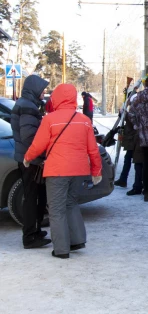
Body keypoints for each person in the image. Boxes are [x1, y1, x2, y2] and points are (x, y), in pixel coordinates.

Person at [24, 83, 103, 259]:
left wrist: (28, 157)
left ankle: (61, 249)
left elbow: (39, 145)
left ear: (56, 98)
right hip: (78, 170)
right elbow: (93, 149)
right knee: (71, 203)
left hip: (57, 171)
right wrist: (96, 170)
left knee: (57, 209)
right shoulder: (84, 120)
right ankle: (77, 240)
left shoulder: (49, 119)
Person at [10, 74, 51, 249]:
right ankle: (29, 237)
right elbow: (29, 136)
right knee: (31, 198)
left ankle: (34, 231)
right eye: (42, 89)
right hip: (31, 161)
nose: (44, 91)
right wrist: (41, 152)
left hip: (29, 158)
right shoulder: (27, 107)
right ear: (35, 89)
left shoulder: (27, 104)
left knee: (37, 196)